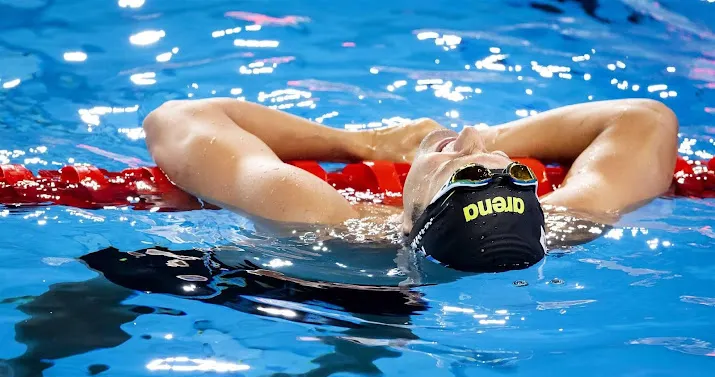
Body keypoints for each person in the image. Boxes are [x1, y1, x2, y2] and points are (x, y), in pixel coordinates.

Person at [142, 98, 678, 272]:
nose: (470, 139)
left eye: (465, 170)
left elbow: (176, 119)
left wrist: (368, 146)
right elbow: (644, 118)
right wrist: (483, 139)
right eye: (516, 174)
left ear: (412, 211)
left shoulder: (315, 214)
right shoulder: (565, 222)